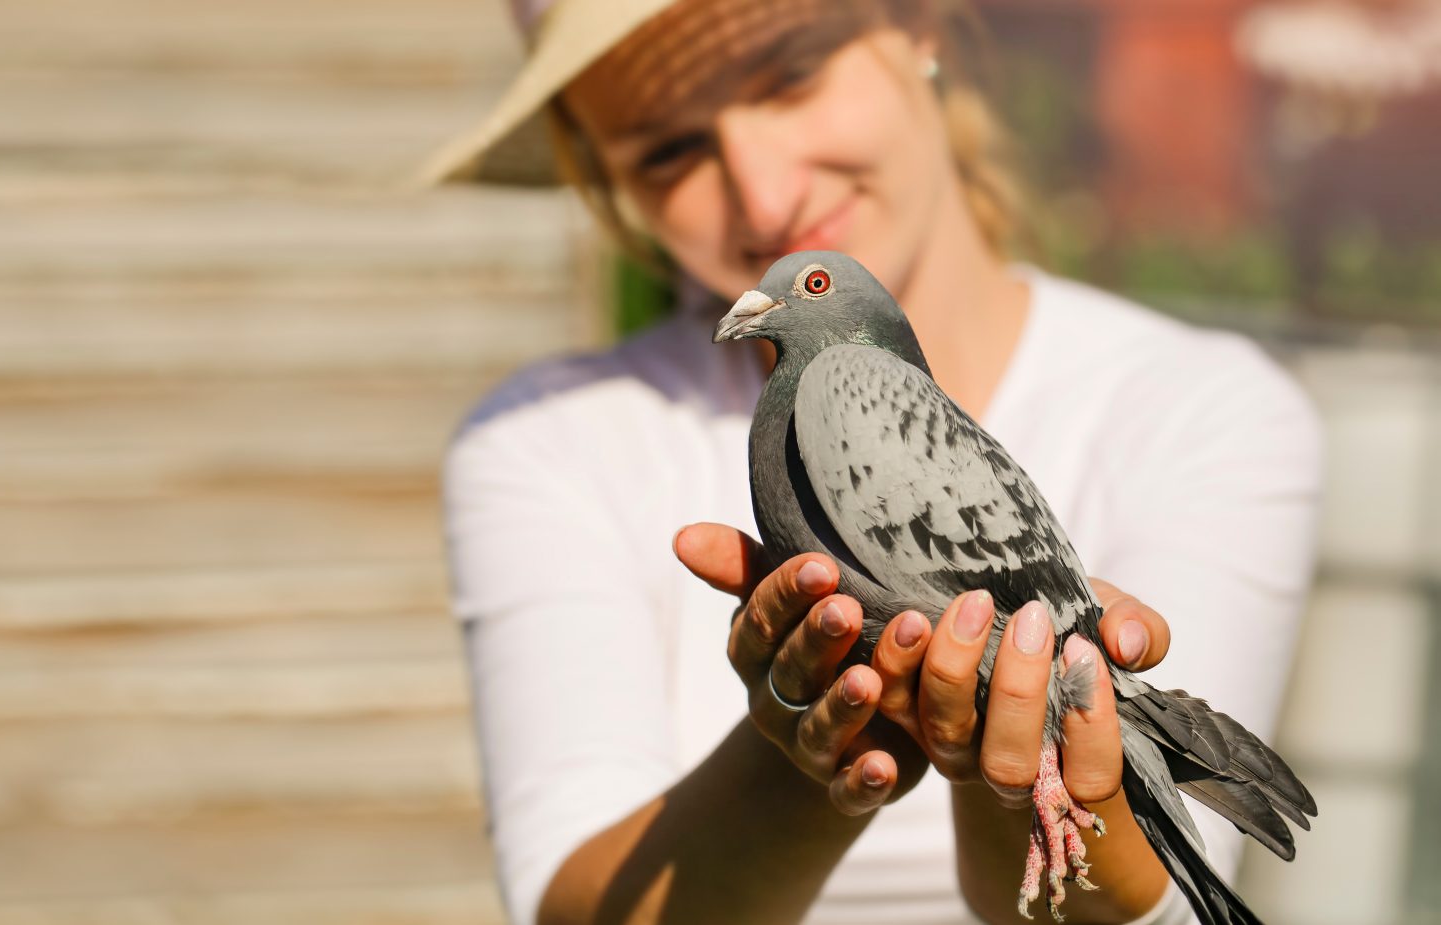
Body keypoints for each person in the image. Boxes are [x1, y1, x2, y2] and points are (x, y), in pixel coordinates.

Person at [435, 0, 1324, 923]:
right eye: (669, 150)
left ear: (919, 25)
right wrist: (810, 746)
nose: (766, 197)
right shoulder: (542, 440)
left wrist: (1015, 753)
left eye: (789, 77)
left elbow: (1149, 911)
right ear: (606, 179)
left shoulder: (1206, 410)